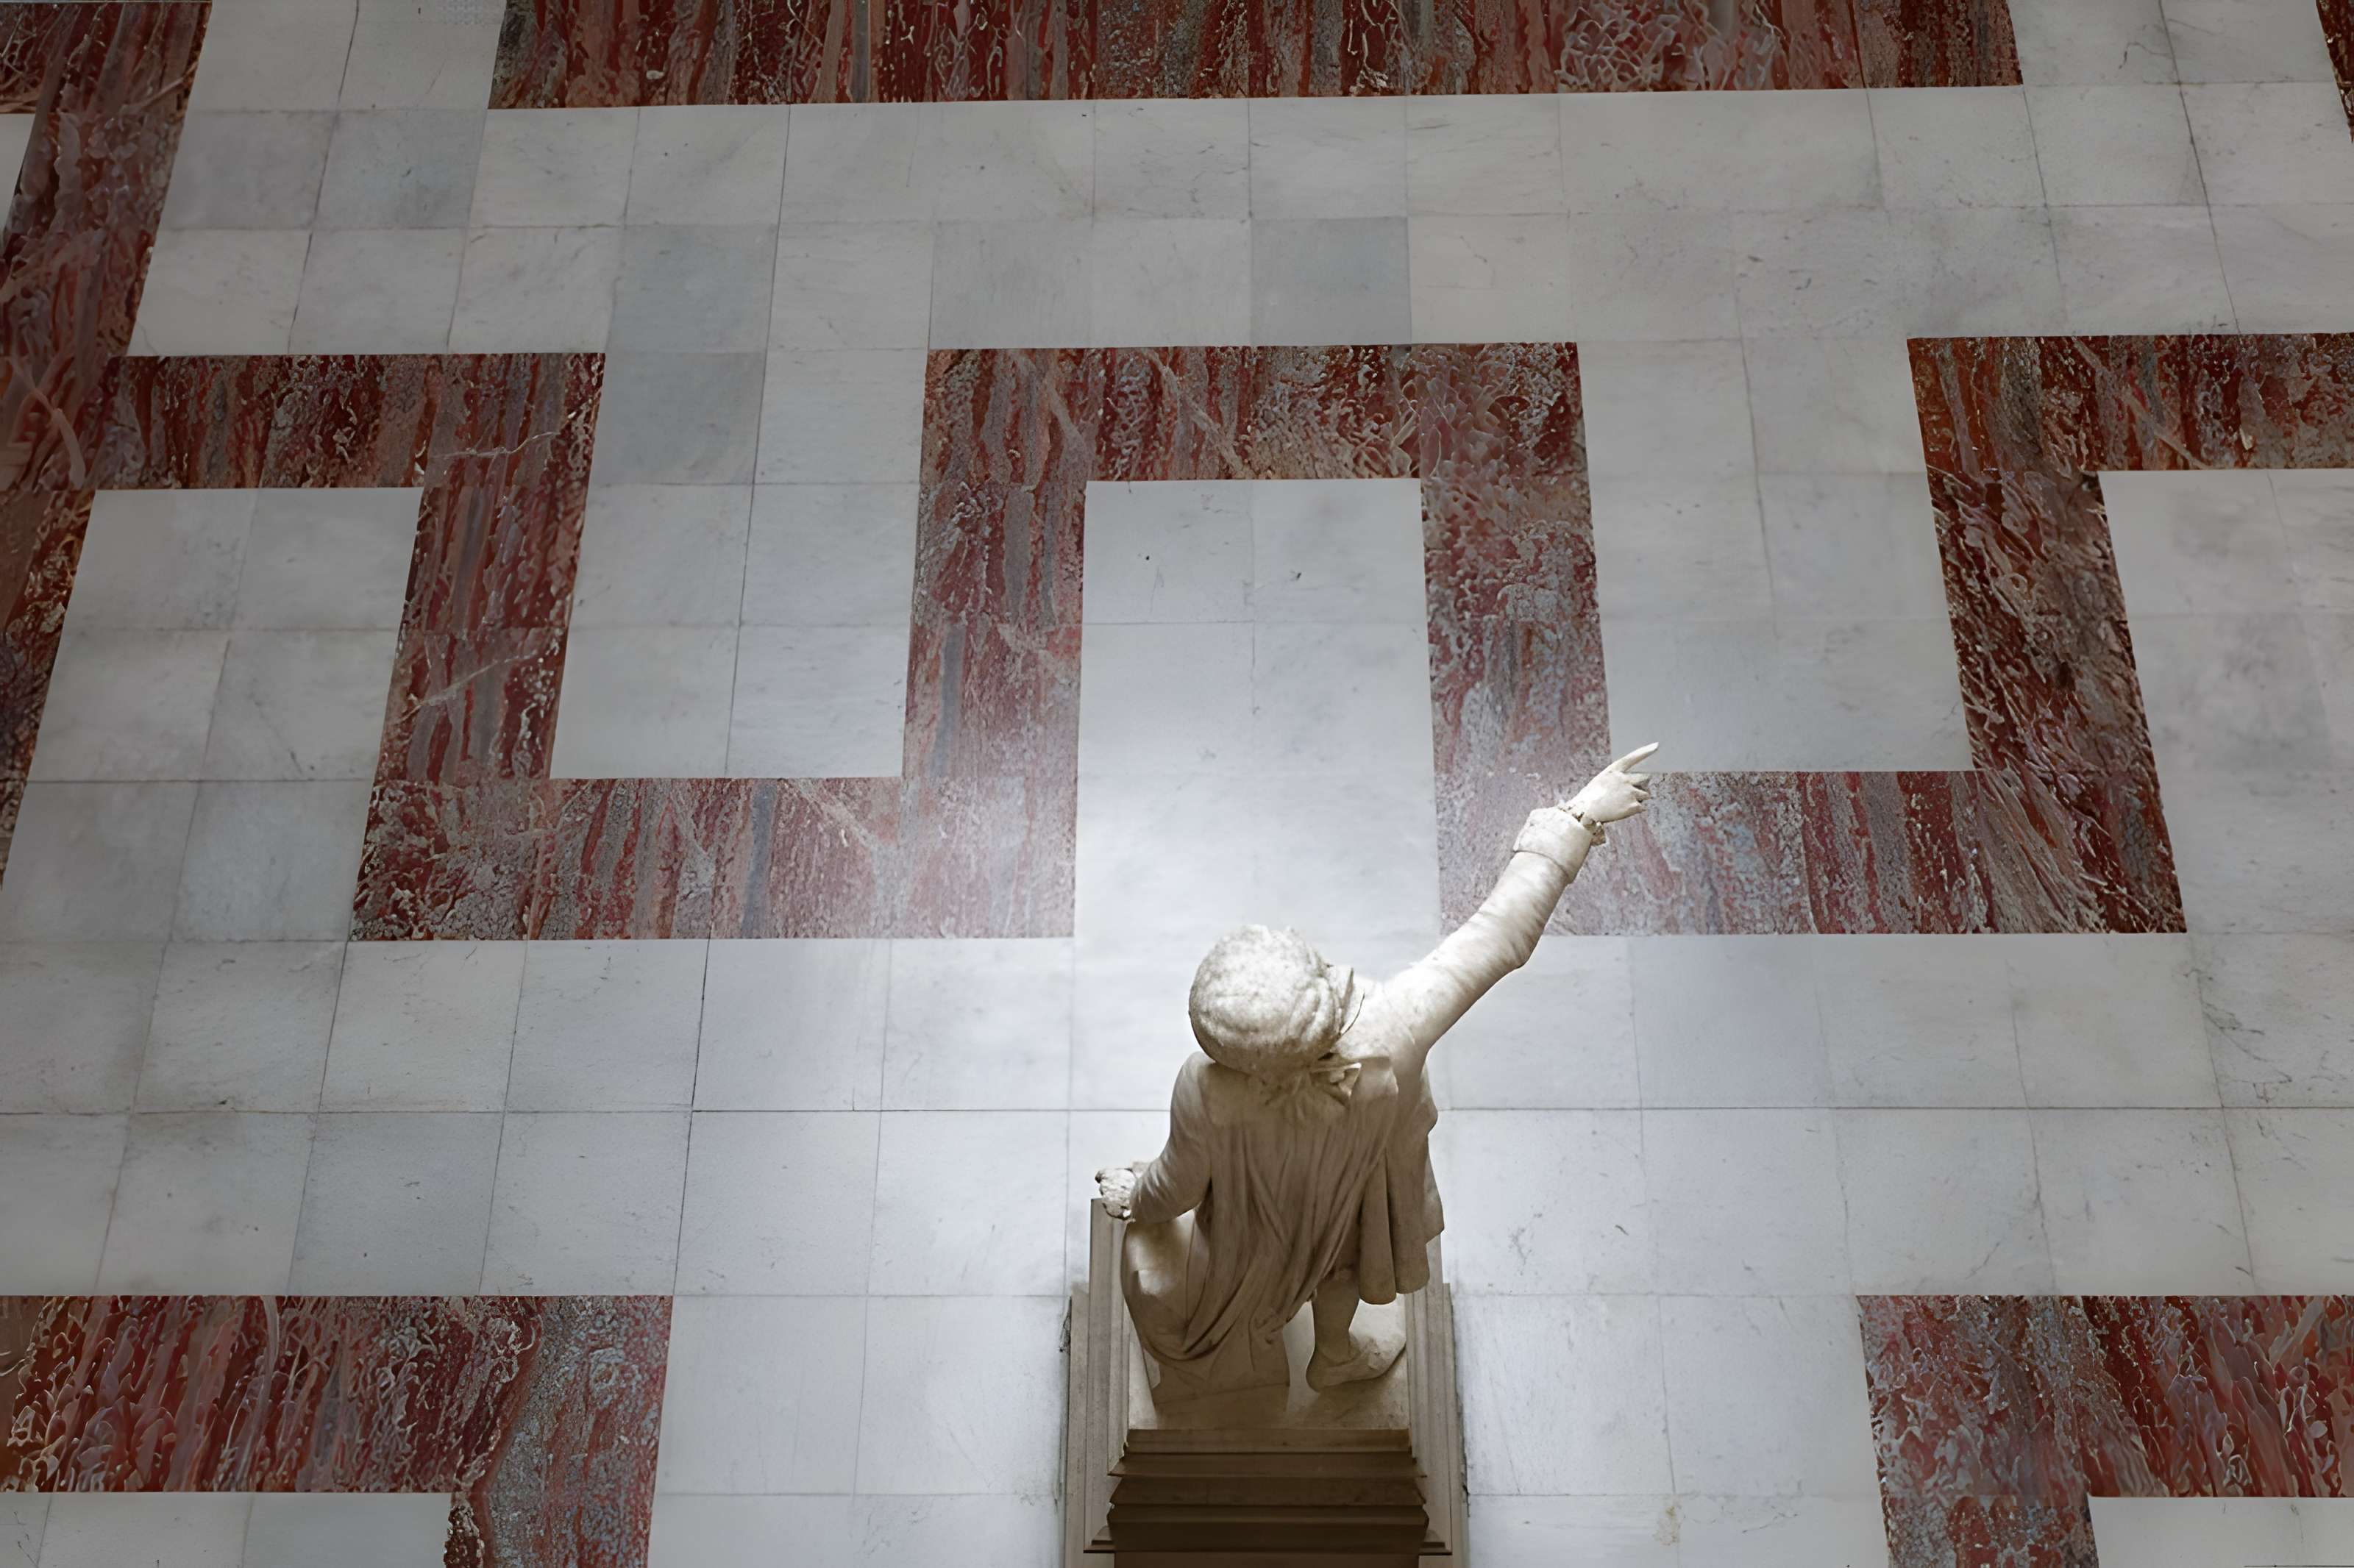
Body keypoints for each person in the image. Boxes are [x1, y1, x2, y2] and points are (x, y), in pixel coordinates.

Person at [1096, 745, 1661, 1398]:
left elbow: (1178, 1188)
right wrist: (1580, 818)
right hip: (1366, 1187)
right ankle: (1333, 1355)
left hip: (1260, 1228)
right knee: (1348, 1261)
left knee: (1275, 1262)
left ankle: (1294, 1346)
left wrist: (1133, 1196)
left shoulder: (1208, 1087)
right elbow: (1500, 936)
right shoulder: (1393, 1027)